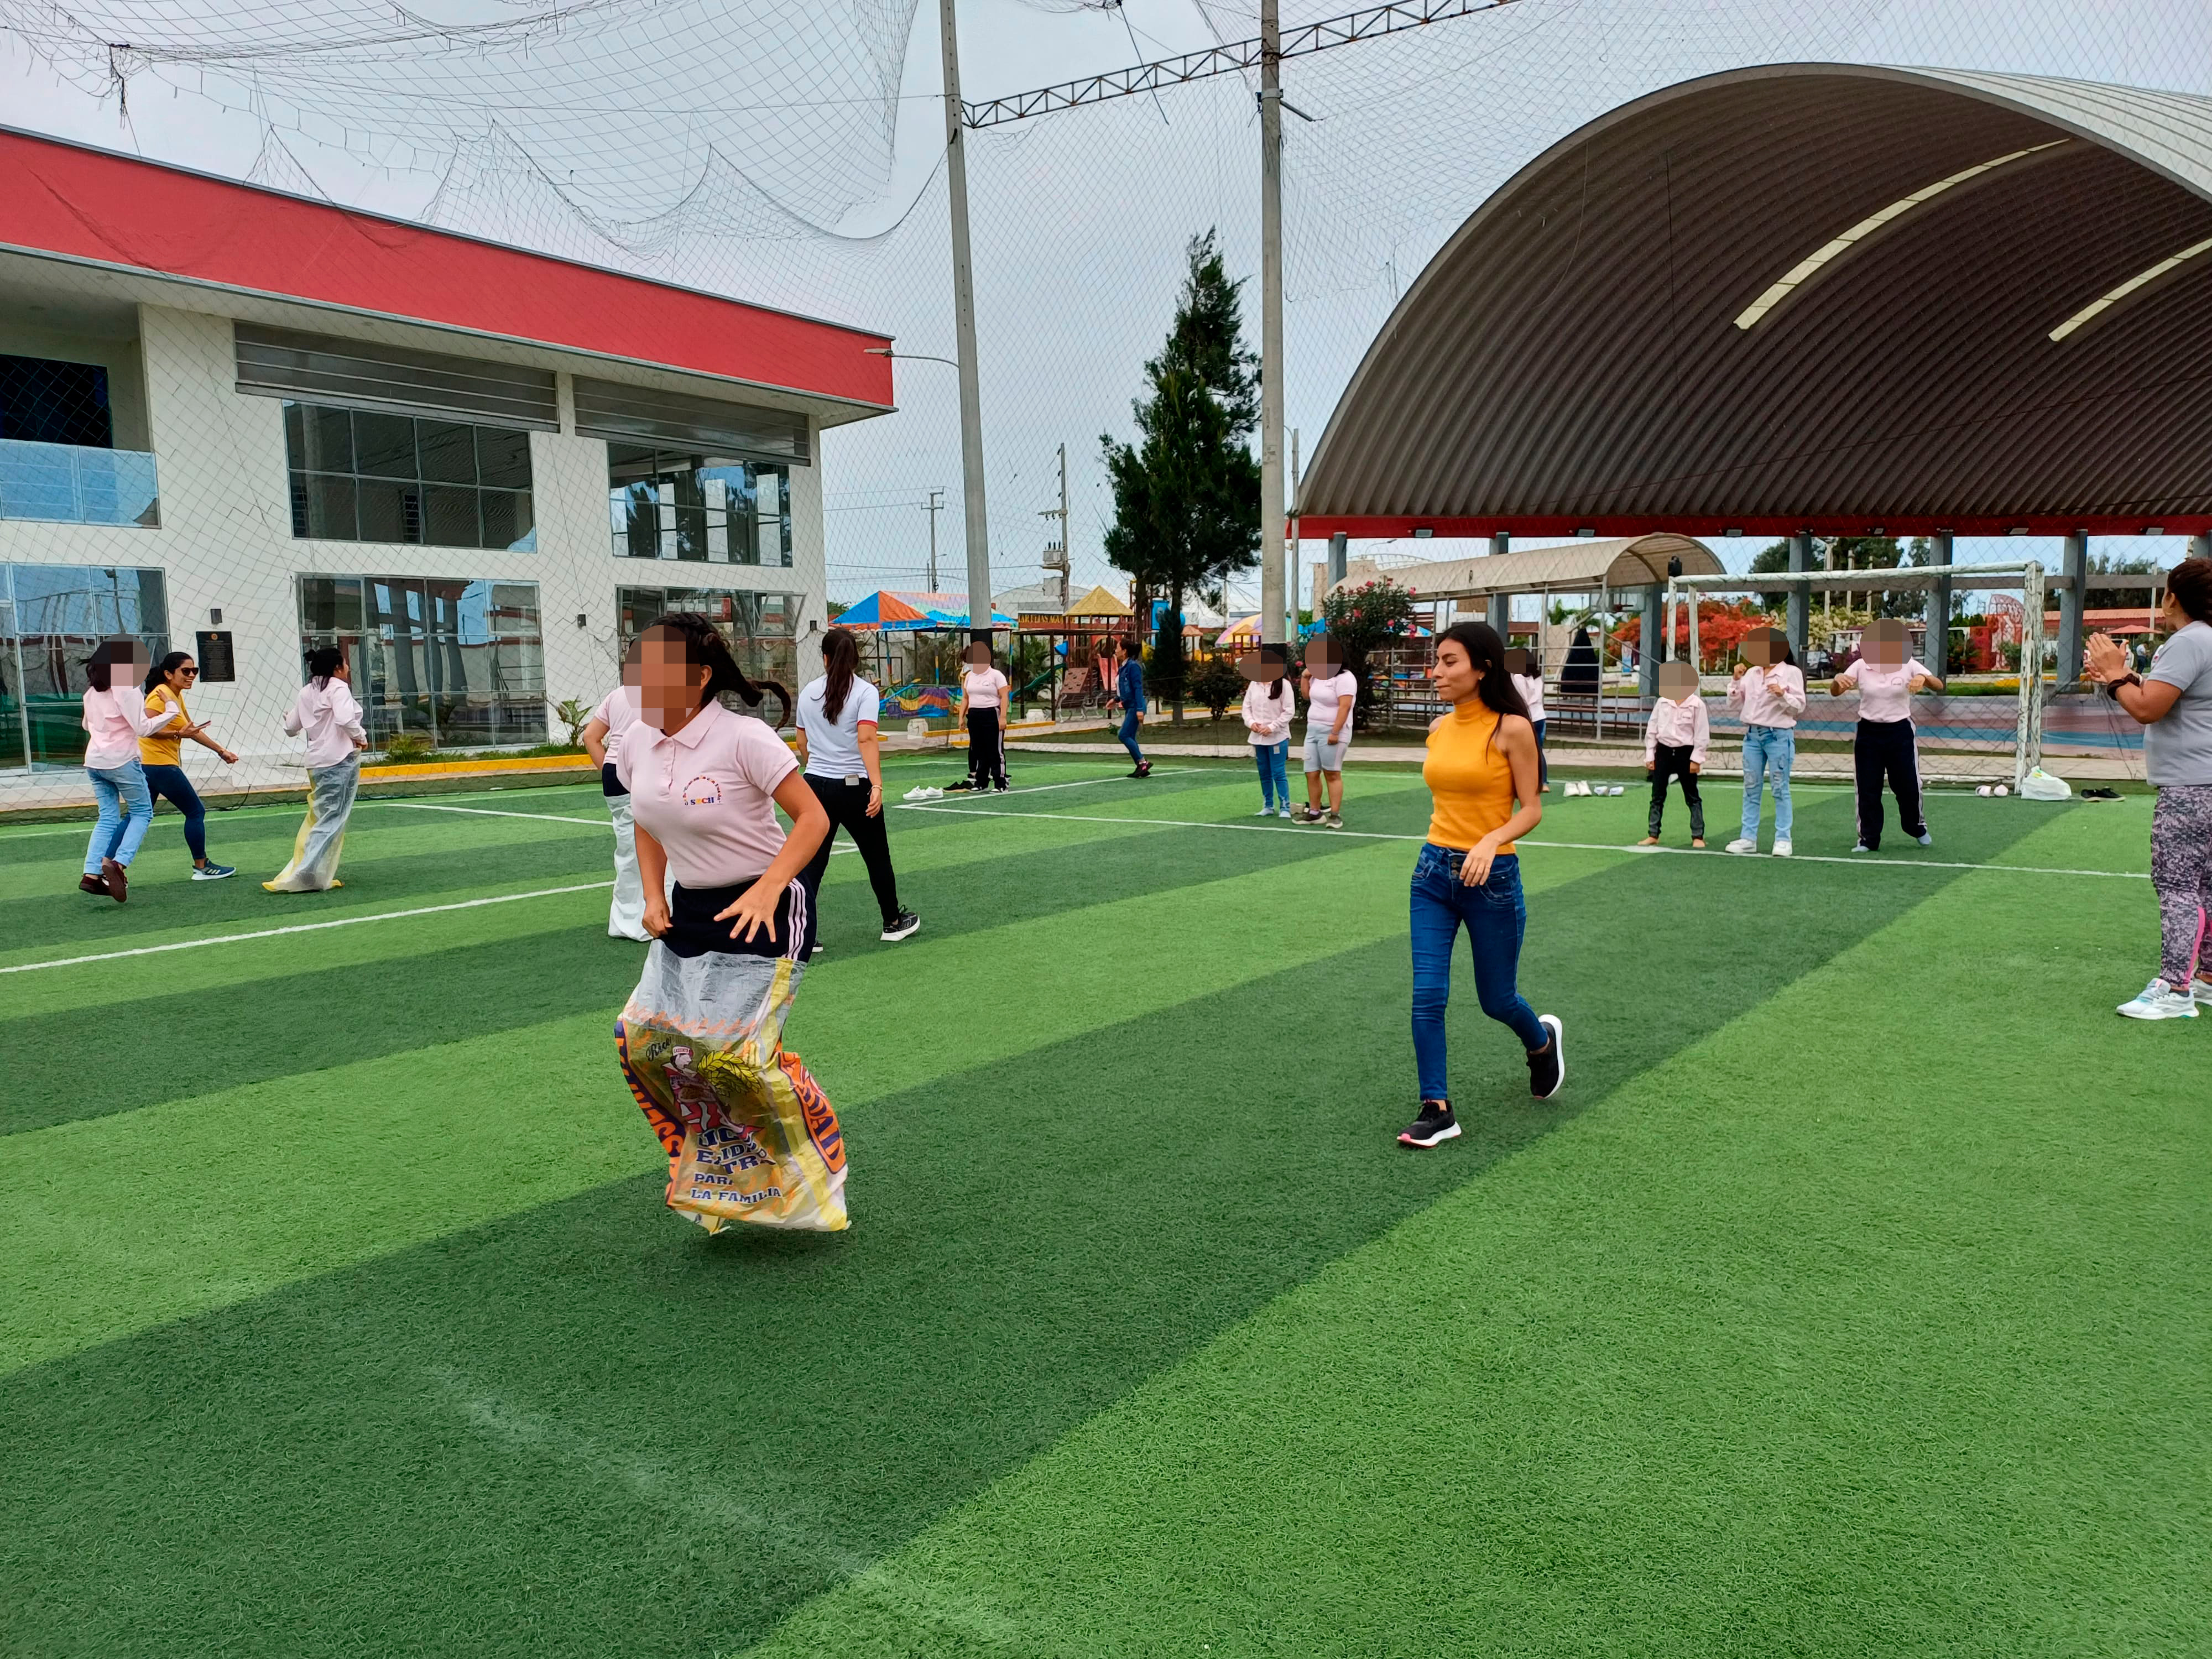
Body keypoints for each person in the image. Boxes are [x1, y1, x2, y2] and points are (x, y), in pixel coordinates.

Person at [612, 612, 845, 1233]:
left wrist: (769, 887)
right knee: (645, 1044)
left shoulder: (743, 738)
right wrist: (653, 895)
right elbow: (647, 816)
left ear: (699, 676)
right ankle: (727, 1169)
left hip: (763, 906)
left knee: (736, 1061)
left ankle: (815, 1148)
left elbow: (813, 820)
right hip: (688, 909)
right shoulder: (637, 738)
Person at [1400, 620, 1564, 1150]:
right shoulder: (1438, 728)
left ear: (1483, 667)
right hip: (1431, 875)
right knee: (1428, 993)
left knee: (1497, 1000)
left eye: (1449, 662)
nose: (1436, 672)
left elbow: (1533, 808)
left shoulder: (1513, 728)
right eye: (1436, 661)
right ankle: (1437, 1107)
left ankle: (1541, 1044)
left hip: (1491, 878)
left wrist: (1491, 840)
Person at [2084, 558, 2212, 1020]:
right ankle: (2206, 979)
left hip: (2190, 788)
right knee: (2208, 886)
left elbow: (2149, 709)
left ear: (2172, 596)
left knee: (2178, 885)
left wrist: (2118, 674)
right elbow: (2174, 698)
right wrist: (2123, 680)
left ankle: (2175, 989)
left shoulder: (2188, 640)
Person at [796, 625, 921, 945]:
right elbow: (866, 737)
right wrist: (876, 785)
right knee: (877, 855)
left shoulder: (808, 692)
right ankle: (893, 922)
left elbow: (801, 740)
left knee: (811, 862)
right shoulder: (865, 692)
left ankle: (802, 934)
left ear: (824, 657)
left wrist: (818, 766)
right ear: (856, 659)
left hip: (814, 785)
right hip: (853, 787)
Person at [77, 639, 190, 903]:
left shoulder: (92, 692)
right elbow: (143, 728)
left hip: (95, 761)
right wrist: (171, 709)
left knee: (107, 818)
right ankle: (119, 864)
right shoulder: (126, 688)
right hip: (122, 761)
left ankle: (91, 875)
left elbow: (86, 725)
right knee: (142, 811)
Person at [1830, 617, 1941, 853]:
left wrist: (1923, 678)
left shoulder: (1908, 663)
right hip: (1868, 733)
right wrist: (1838, 680)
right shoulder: (1861, 666)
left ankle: (1916, 826)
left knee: (1908, 785)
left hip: (1899, 731)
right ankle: (1868, 839)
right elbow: (1836, 691)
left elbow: (1938, 685)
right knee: (1868, 787)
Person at [264, 646, 368, 893]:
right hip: (338, 760)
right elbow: (344, 719)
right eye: (345, 664)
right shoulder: (338, 688)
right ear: (337, 668)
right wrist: (361, 736)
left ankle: (313, 870)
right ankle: (306, 872)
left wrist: (291, 716)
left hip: (316, 762)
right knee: (331, 818)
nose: (348, 668)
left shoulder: (307, 691)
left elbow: (291, 727)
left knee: (322, 816)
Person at [138, 650, 238, 881]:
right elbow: (145, 729)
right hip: (158, 765)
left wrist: (221, 751)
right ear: (168, 673)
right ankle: (202, 867)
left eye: (195, 671)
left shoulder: (174, 694)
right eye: (186, 671)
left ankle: (108, 865)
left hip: (151, 765)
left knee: (139, 815)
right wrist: (176, 734)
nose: (192, 675)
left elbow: (191, 731)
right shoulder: (160, 696)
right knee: (195, 811)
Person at [583, 640, 651, 941]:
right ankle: (651, 919)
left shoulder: (616, 695)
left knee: (627, 850)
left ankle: (624, 922)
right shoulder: (661, 694)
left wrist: (609, 770)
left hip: (614, 772)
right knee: (657, 850)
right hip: (642, 770)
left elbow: (590, 737)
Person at [1724, 626, 1806, 857]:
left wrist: (1782, 694)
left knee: (1780, 788)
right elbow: (1734, 704)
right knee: (1751, 786)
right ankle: (1748, 837)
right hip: (1752, 735)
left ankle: (1783, 839)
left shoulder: (1790, 672)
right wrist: (1735, 681)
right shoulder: (1752, 673)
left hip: (1778, 735)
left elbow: (1798, 707)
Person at [1640, 659, 1708, 848]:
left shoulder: (1697, 705)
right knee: (1658, 794)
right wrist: (1650, 755)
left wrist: (1697, 759)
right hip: (1663, 751)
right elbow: (1652, 729)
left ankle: (1698, 835)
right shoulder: (1663, 702)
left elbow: (1702, 734)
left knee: (1692, 795)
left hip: (1685, 753)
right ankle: (1653, 833)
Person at [1294, 634, 1356, 828]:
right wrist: (1305, 676)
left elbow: (1345, 707)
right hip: (1313, 729)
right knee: (1311, 772)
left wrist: (1335, 732)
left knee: (1332, 773)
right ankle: (1315, 812)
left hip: (1333, 731)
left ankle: (1335, 815)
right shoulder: (1318, 675)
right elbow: (1306, 696)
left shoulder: (1345, 678)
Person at [1239, 644, 1296, 817]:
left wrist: (1272, 727)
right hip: (1257, 738)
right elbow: (1246, 708)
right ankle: (1268, 805)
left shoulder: (1284, 685)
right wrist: (1252, 724)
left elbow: (1289, 711)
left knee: (1278, 772)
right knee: (1264, 772)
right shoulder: (1254, 684)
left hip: (1277, 737)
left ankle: (1285, 807)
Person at [956, 639, 1011, 792]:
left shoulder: (996, 675)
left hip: (992, 713)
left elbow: (1004, 696)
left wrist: (1003, 717)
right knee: (979, 750)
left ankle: (1001, 783)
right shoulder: (969, 676)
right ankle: (981, 782)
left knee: (994, 750)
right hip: (974, 715)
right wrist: (961, 718)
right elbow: (966, 698)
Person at [1506, 647, 1550, 794]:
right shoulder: (1536, 676)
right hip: (1540, 717)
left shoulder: (1517, 676)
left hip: (1526, 717)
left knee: (1520, 752)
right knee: (1538, 751)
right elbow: (1535, 697)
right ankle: (1543, 782)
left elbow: (1523, 699)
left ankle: (1521, 783)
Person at [1109, 634, 1150, 778]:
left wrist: (1140, 709)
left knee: (1124, 735)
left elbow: (1137, 689)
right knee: (1129, 736)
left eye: (1117, 649)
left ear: (1125, 651)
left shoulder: (1133, 667)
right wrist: (1116, 699)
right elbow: (1124, 688)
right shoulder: (1123, 667)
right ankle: (1141, 766)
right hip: (1129, 705)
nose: (1115, 651)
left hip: (1135, 706)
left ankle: (1143, 762)